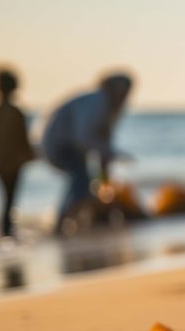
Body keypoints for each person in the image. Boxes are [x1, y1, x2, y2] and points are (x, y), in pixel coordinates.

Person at [40, 73, 133, 234]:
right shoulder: (98, 101)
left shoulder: (108, 107)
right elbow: (83, 137)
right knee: (81, 182)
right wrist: (110, 153)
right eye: (123, 90)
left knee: (85, 184)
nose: (125, 95)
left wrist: (105, 184)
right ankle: (60, 225)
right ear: (113, 87)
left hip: (72, 145)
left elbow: (102, 147)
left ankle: (75, 222)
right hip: (59, 144)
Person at [0, 67, 35, 238]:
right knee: (10, 197)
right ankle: (7, 231)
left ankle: (5, 231)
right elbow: (23, 139)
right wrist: (28, 155)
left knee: (6, 197)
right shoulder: (15, 112)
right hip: (14, 162)